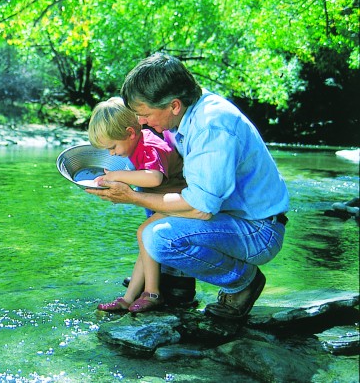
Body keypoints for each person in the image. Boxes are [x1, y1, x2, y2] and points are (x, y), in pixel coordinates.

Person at [87, 53, 289, 320]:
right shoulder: (186, 112)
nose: (142, 122)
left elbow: (199, 208)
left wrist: (132, 197)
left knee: (158, 237)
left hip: (258, 229)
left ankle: (243, 282)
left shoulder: (211, 126)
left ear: (174, 105)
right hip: (230, 216)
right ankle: (172, 283)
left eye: (145, 114)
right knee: (156, 210)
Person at [87, 97, 186, 313]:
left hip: (182, 203)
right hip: (164, 203)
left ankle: (152, 293)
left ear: (131, 133)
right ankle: (128, 298)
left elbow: (154, 178)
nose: (111, 154)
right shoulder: (137, 143)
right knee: (145, 246)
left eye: (112, 147)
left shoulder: (150, 145)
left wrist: (118, 175)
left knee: (144, 233)